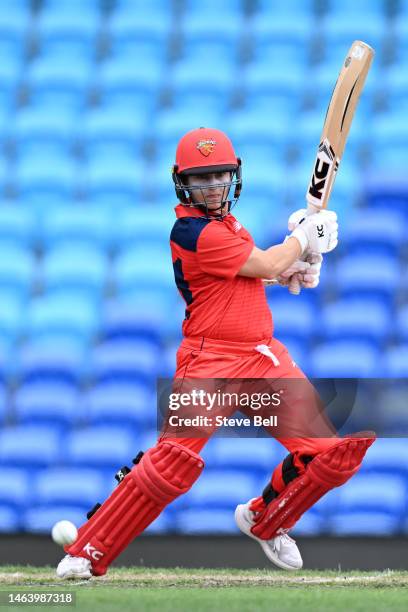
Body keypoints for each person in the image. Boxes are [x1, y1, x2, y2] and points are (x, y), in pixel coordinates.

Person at [56, 127, 375, 579]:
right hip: (209, 363)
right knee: (171, 467)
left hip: (262, 359)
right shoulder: (192, 231)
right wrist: (303, 241)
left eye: (220, 176)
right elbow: (263, 262)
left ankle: (266, 520)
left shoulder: (228, 226)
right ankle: (87, 551)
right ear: (181, 181)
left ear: (234, 175)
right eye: (201, 179)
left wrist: (295, 267)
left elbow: (250, 274)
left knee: (329, 455)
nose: (212, 187)